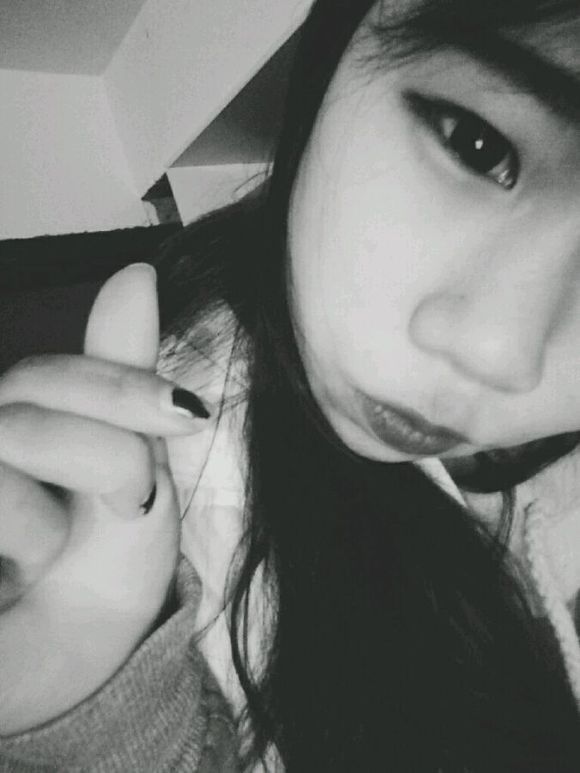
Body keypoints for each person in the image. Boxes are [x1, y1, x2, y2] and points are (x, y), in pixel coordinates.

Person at [2, 0, 580, 769]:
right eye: (477, 145)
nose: (500, 353)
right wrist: (114, 723)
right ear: (330, 57)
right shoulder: (187, 498)